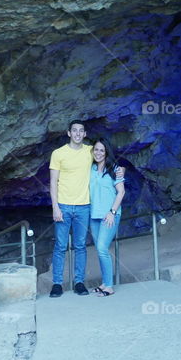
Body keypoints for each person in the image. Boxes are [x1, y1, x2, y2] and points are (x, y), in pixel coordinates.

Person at [48, 120, 123, 297]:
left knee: (80, 246)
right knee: (60, 246)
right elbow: (53, 181)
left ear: (84, 134)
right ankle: (57, 283)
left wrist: (121, 171)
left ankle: (79, 282)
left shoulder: (90, 151)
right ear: (68, 133)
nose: (77, 134)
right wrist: (55, 207)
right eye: (74, 131)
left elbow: (107, 161)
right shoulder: (58, 154)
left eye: (81, 131)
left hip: (84, 207)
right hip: (63, 205)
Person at [88, 138, 125, 296]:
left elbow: (121, 192)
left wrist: (112, 212)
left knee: (103, 248)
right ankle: (104, 283)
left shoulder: (114, 169)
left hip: (109, 215)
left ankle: (109, 286)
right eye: (96, 149)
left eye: (102, 150)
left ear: (107, 152)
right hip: (93, 215)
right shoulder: (90, 169)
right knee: (99, 249)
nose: (98, 153)